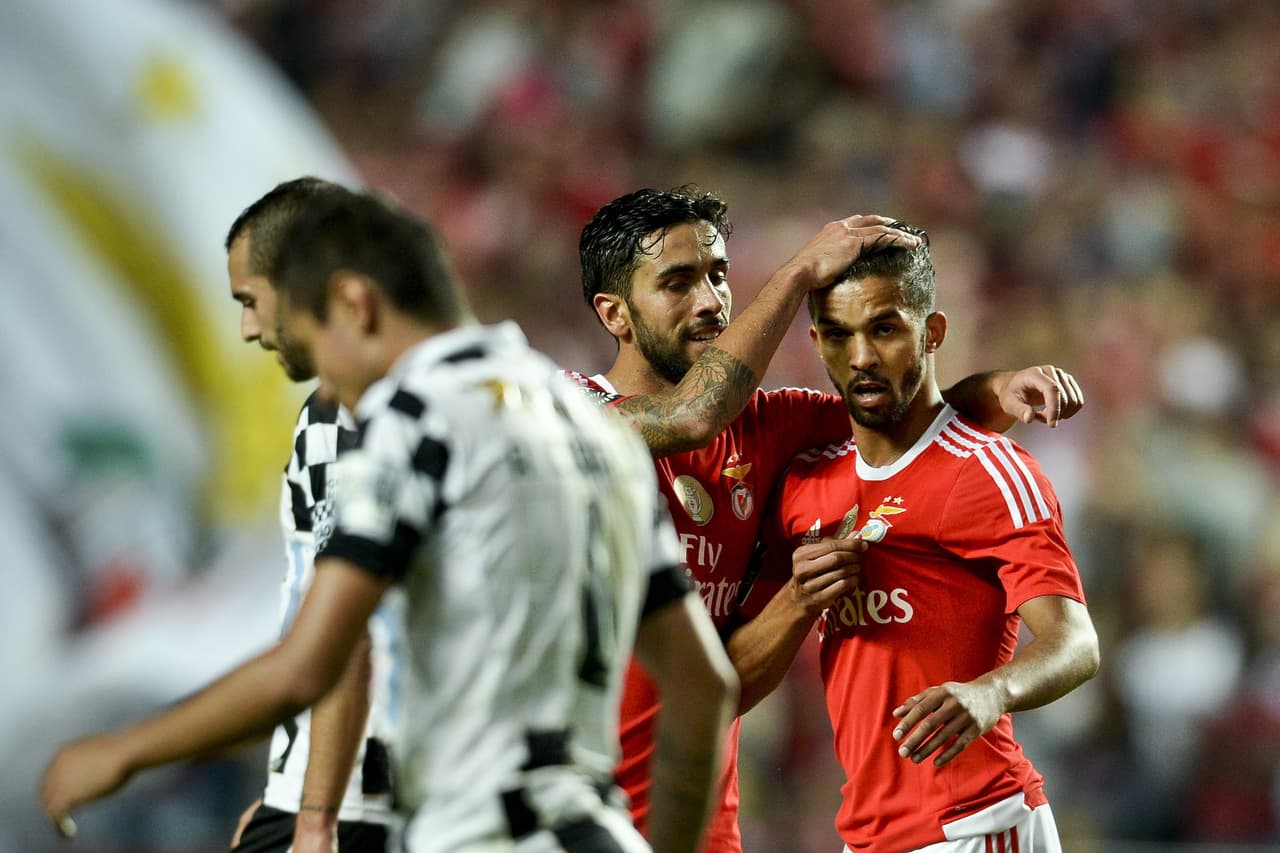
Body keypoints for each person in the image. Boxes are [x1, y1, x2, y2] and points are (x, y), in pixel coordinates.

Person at [40, 190, 739, 853]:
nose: (325, 381)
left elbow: (313, 664)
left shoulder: (413, 419)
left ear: (356, 304)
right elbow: (704, 686)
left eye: (316, 339)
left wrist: (121, 750)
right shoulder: (592, 425)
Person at [567, 187, 1085, 852]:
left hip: (701, 825)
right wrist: (798, 272)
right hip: (567, 810)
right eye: (678, 282)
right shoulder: (565, 415)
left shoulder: (771, 429)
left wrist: (996, 387)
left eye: (719, 275)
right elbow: (689, 416)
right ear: (614, 312)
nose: (711, 302)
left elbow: (897, 412)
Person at [728, 221, 1101, 852]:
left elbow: (1076, 643)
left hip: (976, 822)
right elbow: (732, 680)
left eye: (885, 328)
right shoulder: (807, 483)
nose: (862, 357)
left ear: (932, 334)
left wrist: (993, 690)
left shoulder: (987, 469)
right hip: (869, 835)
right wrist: (796, 600)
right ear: (817, 342)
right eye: (840, 335)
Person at [223, 176, 398, 853]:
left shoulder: (378, 406)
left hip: (368, 799)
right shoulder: (326, 412)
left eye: (251, 301)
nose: (247, 328)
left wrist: (315, 816)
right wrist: (285, 785)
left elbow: (352, 629)